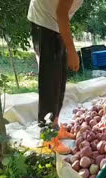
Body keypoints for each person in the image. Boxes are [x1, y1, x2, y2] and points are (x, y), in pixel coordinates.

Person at [28, 0, 82, 128]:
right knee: (51, 81)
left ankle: (54, 125)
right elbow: (61, 14)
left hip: (54, 22)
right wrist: (71, 50)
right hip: (44, 21)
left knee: (59, 78)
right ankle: (48, 136)